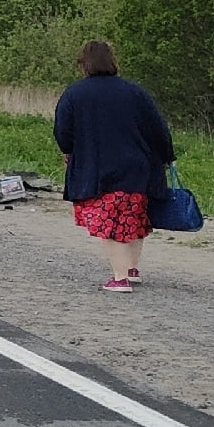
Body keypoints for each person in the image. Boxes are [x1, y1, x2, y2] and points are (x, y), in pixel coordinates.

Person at [53, 39, 174, 292]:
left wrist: (69, 152)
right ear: (112, 62)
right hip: (137, 168)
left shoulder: (74, 94)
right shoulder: (134, 92)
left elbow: (63, 131)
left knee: (108, 223)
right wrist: (166, 157)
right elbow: (158, 129)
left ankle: (120, 279)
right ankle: (131, 268)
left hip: (97, 168)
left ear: (83, 65)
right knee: (133, 218)